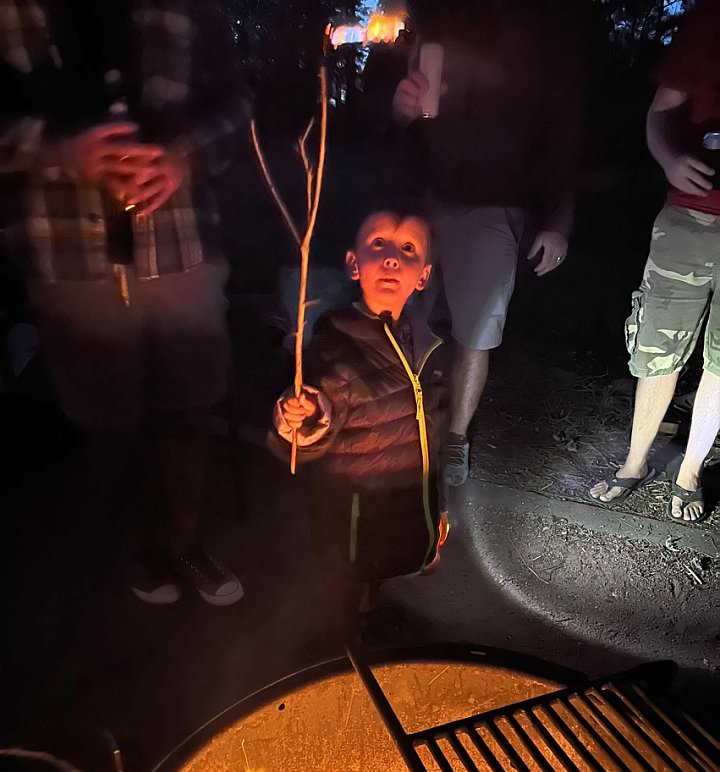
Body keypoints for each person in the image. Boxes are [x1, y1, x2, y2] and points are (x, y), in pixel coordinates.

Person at [0, 0, 249, 603]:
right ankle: (138, 551)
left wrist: (184, 157)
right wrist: (55, 150)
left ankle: (183, 543)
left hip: (179, 245)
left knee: (189, 407)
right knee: (108, 418)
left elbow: (236, 104)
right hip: (69, 255)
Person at [391, 0, 582, 487]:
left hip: (496, 205)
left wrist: (559, 219)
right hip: (423, 201)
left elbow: (562, 137)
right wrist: (400, 111)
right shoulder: (434, 26)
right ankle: (402, 420)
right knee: (404, 318)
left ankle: (456, 437)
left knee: (475, 332)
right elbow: (390, 123)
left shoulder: (535, 35)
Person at [272, 211, 448, 610]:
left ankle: (373, 615)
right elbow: (318, 408)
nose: (392, 259)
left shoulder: (428, 344)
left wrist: (437, 509)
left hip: (409, 503)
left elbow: (433, 432)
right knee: (347, 589)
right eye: (378, 244)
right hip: (354, 515)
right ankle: (345, 631)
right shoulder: (337, 341)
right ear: (354, 264)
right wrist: (305, 415)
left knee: (387, 571)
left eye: (408, 249)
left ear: (423, 276)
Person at [590, 0, 720, 524]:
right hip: (691, 218)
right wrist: (670, 158)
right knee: (658, 350)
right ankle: (634, 463)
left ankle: (689, 471)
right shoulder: (710, 20)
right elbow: (661, 111)